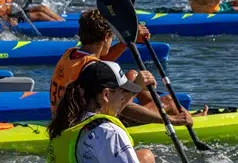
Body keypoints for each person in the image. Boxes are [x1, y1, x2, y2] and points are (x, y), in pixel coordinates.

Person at [46, 60, 224, 163]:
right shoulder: (108, 132)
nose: (125, 98)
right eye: (122, 92)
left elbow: (107, 118)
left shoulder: (70, 118)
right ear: (106, 94)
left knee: (145, 157)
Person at [49, 9, 195, 120]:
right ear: (106, 36)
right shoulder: (96, 70)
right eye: (112, 36)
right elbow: (119, 109)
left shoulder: (71, 53)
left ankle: (173, 111)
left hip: (62, 120)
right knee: (168, 101)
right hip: (86, 126)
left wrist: (127, 41)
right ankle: (182, 116)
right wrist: (170, 120)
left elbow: (103, 56)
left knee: (131, 75)